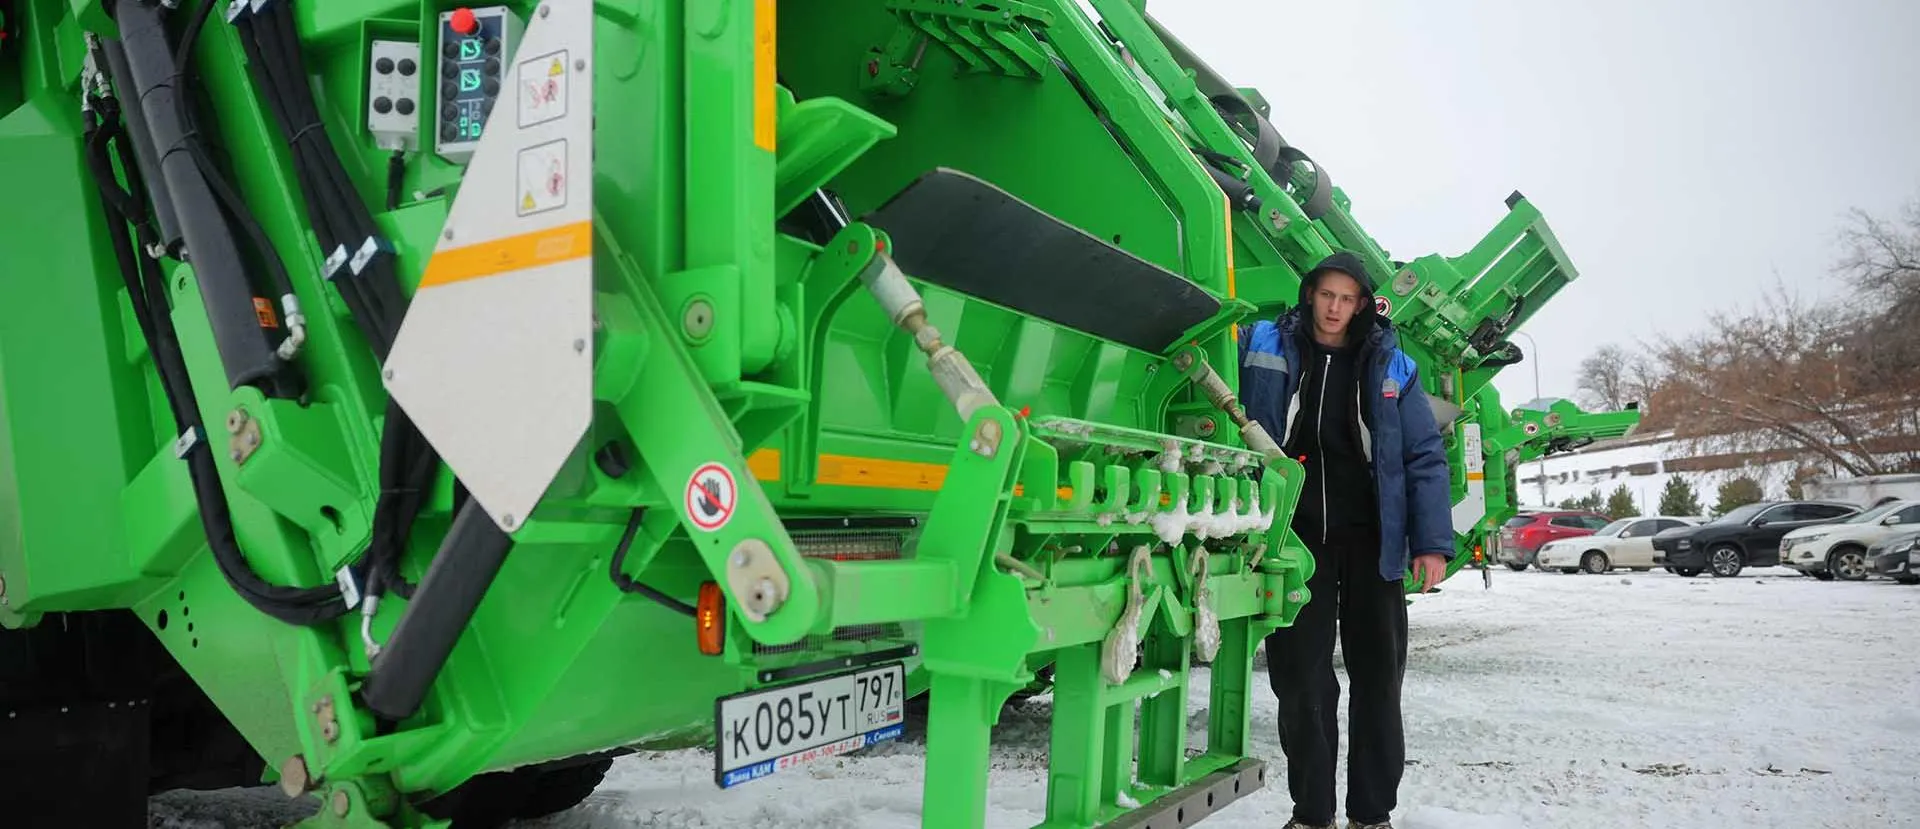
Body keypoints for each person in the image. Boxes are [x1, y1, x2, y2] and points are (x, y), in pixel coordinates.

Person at [1236, 250, 1455, 829]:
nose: (1335, 308)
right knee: (1301, 680)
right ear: (1310, 293)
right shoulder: (1263, 344)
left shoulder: (1391, 365)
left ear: (1362, 304)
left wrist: (1430, 542)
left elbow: (1424, 456)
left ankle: (1371, 814)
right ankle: (1311, 814)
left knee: (1379, 680)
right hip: (1294, 545)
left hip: (1371, 544)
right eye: (1326, 294)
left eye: (1347, 298)